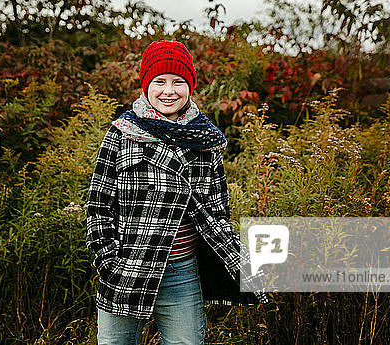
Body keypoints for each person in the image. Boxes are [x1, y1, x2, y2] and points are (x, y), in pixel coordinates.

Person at [86, 40, 267, 345]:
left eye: (178, 82)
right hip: (127, 266)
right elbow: (98, 206)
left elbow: (218, 209)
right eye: (160, 81)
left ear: (190, 86)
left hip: (181, 270)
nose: (168, 91)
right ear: (146, 85)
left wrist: (234, 255)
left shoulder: (205, 139)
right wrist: (108, 261)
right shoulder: (121, 134)